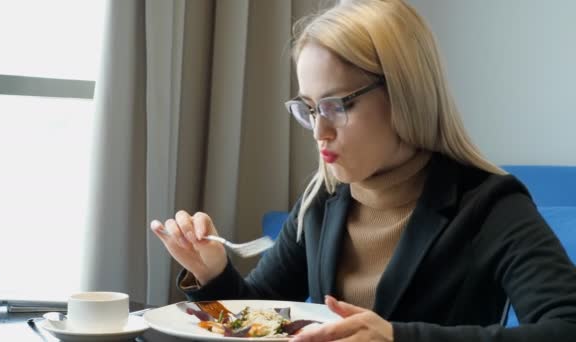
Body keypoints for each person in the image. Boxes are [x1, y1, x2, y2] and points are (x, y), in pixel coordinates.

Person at [150, 0, 576, 340]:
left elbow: (567, 326)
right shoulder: (322, 201)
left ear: (405, 94)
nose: (319, 130)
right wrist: (211, 272)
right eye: (309, 109)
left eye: (336, 106)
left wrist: (396, 338)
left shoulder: (491, 204)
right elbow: (260, 314)